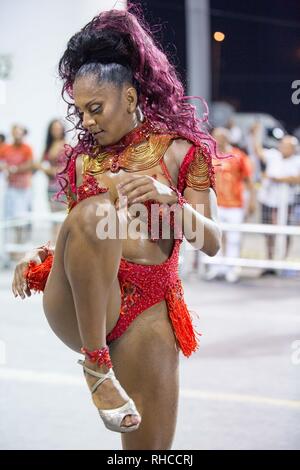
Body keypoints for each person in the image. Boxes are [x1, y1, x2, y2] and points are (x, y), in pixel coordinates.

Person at [11, 5, 221, 450]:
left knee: (150, 453)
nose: (87, 122)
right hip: (84, 306)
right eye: (80, 110)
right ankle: (95, 365)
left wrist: (173, 203)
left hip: (149, 307)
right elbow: (77, 233)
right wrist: (42, 255)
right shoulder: (85, 160)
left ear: (129, 97)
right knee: (90, 214)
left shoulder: (182, 153)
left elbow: (213, 242)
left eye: (95, 108)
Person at [205, 128, 255, 283]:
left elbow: (249, 181)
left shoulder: (239, 156)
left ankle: (232, 268)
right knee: (214, 236)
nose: (218, 140)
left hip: (235, 205)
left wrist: (252, 201)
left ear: (228, 138)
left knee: (233, 238)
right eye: (216, 137)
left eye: (221, 137)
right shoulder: (207, 155)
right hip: (214, 204)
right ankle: (215, 267)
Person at [252, 126, 300, 267]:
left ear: (293, 148)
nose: (283, 148)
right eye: (282, 145)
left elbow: (297, 178)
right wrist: (255, 135)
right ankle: (270, 259)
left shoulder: (297, 161)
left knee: (286, 231)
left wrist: (276, 179)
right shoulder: (273, 155)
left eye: (287, 146)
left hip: (287, 202)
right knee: (268, 231)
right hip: (268, 200)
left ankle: (283, 259)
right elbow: (258, 152)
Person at [0, 125, 34, 245]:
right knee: (11, 218)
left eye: (19, 133)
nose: (17, 135)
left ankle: (21, 244)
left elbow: (30, 165)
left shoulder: (27, 148)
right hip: (10, 188)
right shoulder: (6, 148)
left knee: (22, 218)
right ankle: (12, 246)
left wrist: (15, 169)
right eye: (15, 133)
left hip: (24, 189)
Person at [37, 119, 66, 241]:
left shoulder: (66, 145)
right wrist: (45, 170)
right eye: (54, 128)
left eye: (59, 128)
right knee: (53, 218)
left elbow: (65, 168)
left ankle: (60, 248)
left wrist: (49, 170)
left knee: (62, 218)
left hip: (63, 187)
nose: (56, 131)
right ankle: (54, 247)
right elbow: (38, 164)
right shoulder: (48, 146)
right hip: (50, 187)